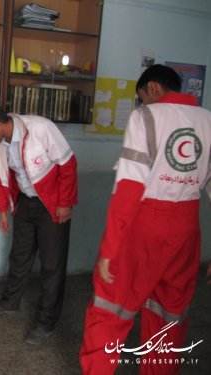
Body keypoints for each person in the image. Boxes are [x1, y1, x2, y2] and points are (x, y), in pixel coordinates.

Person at [79, 64, 211, 374]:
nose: (142, 104)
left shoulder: (145, 117)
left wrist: (110, 250)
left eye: (142, 97)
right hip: (187, 227)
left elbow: (129, 187)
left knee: (110, 307)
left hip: (144, 223)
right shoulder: (208, 121)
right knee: (169, 311)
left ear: (152, 88)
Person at [0, 99, 78, 345]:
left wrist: (65, 202)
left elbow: (68, 164)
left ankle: (46, 321)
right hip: (26, 201)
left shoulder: (40, 128)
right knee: (19, 255)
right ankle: (10, 301)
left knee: (52, 265)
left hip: (52, 203)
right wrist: (3, 211)